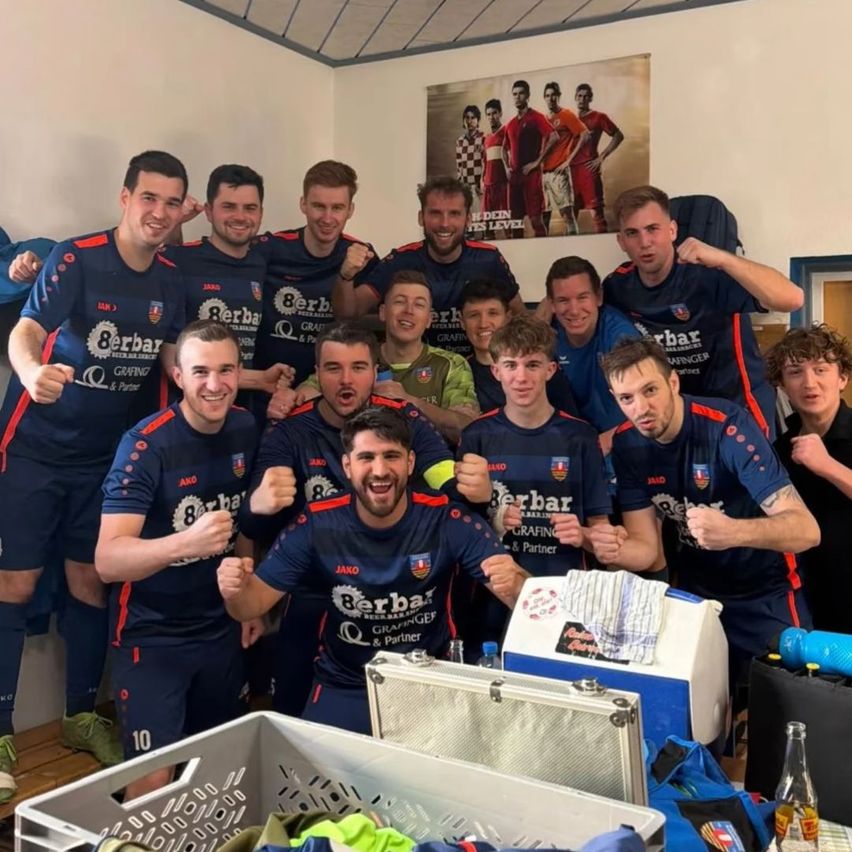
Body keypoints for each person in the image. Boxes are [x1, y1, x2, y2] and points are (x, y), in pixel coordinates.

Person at [0, 150, 188, 802]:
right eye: (150, 198)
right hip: (32, 449)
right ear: (126, 197)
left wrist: (249, 383)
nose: (159, 213)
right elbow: (26, 329)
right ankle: (0, 731)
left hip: (100, 460)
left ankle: (82, 714)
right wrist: (29, 372)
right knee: (16, 584)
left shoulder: (170, 278)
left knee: (90, 581)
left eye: (172, 202)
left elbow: (179, 360)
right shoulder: (77, 257)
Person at [218, 405, 528, 735]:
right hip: (346, 683)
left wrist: (519, 585)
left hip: (427, 679)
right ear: (347, 466)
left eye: (391, 456)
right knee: (324, 784)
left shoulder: (446, 519)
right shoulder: (317, 522)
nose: (380, 470)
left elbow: (523, 595)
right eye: (367, 457)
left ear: (410, 464)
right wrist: (234, 590)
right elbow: (249, 606)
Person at [238, 321, 493, 716]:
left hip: (400, 590)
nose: (346, 380)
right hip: (316, 596)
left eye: (358, 367)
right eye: (333, 368)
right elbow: (251, 525)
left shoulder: (403, 418)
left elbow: (445, 482)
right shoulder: (290, 432)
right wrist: (259, 504)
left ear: (376, 372)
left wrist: (475, 492)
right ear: (317, 373)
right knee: (296, 719)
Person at [591, 337, 820, 695]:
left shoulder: (727, 426)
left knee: (786, 718)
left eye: (650, 390)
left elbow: (807, 530)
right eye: (626, 398)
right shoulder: (627, 444)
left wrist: (733, 532)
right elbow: (648, 551)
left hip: (766, 594)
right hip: (697, 600)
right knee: (705, 723)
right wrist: (610, 546)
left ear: (673, 382)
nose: (641, 408)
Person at [95, 321, 260, 799]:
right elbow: (107, 560)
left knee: (222, 771)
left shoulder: (246, 425)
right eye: (201, 371)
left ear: (239, 371)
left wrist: (245, 597)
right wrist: (184, 544)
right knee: (153, 782)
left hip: (219, 627)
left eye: (226, 370)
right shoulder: (144, 445)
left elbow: (242, 517)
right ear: (179, 375)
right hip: (153, 635)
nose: (215, 385)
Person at [605, 185, 804, 439]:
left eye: (653, 229)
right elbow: (578, 309)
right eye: (633, 233)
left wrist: (723, 258)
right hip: (679, 417)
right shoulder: (619, 285)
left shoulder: (707, 273)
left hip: (739, 413)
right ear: (621, 241)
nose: (645, 243)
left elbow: (793, 298)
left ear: (672, 230)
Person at [459, 316, 610, 644]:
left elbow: (601, 528)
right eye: (511, 365)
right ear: (496, 371)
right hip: (494, 597)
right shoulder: (477, 436)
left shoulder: (581, 437)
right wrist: (494, 516)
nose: (521, 377)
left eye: (533, 364)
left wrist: (583, 534)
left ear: (550, 370)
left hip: (567, 593)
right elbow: (463, 525)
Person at [332, 176, 523, 355]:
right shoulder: (400, 260)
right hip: (417, 372)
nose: (445, 223)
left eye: (454, 214)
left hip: (477, 371)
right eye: (435, 213)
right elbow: (349, 313)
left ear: (468, 220)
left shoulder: (488, 259)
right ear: (421, 217)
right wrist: (346, 276)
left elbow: (521, 318)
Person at [301, 271, 479, 443]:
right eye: (400, 302)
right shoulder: (358, 357)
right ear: (383, 312)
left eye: (419, 304)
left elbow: (467, 429)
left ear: (429, 319)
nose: (408, 311)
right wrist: (286, 398)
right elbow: (303, 397)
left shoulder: (452, 364)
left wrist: (410, 403)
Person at [253, 161, 379, 386]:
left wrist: (347, 275)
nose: (328, 218)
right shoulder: (271, 248)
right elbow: (221, 259)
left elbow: (354, 317)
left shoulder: (362, 255)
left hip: (331, 388)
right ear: (303, 204)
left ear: (350, 210)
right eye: (319, 206)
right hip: (270, 384)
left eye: (338, 208)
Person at [767, 324, 852, 633]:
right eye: (795, 372)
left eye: (820, 369)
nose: (809, 382)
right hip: (805, 601)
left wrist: (826, 464)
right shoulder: (778, 450)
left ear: (842, 378)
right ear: (782, 385)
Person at [547, 256, 638, 454]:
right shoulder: (549, 336)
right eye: (563, 300)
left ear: (598, 297)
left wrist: (594, 449)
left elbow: (647, 409)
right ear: (551, 305)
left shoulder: (621, 337)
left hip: (623, 442)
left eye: (582, 297)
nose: (573, 310)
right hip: (573, 440)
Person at [459, 277, 576, 414]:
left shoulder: (538, 364)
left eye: (493, 313)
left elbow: (570, 425)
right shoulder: (458, 373)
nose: (484, 323)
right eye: (474, 315)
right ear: (462, 322)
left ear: (508, 317)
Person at [501, 80, 559, 238]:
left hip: (531, 177)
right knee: (516, 222)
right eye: (514, 94)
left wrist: (537, 162)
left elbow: (554, 136)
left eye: (520, 93)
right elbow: (503, 149)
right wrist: (507, 168)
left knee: (536, 221)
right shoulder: (511, 124)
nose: (517, 97)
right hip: (514, 179)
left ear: (527, 96)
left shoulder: (536, 117)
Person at [570, 84, 624, 234]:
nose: (582, 99)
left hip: (589, 170)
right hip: (571, 173)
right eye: (579, 96)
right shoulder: (570, 118)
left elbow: (618, 136)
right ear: (575, 98)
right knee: (570, 216)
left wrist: (601, 157)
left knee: (597, 215)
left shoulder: (599, 117)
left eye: (586, 96)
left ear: (591, 98)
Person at [540, 82, 590, 236]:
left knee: (567, 214)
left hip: (558, 172)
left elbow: (585, 134)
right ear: (544, 98)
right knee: (544, 216)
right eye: (547, 96)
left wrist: (569, 160)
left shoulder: (566, 115)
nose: (550, 99)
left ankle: (573, 245)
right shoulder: (543, 118)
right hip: (542, 174)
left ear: (558, 96)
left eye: (553, 95)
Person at [481, 99, 509, 239]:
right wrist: (483, 179)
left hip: (503, 182)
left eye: (494, 113)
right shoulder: (486, 138)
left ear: (500, 113)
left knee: (506, 219)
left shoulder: (506, 131)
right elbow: (485, 161)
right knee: (487, 222)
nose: (491, 117)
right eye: (489, 114)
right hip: (489, 183)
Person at [455, 105, 484, 216]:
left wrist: (482, 183)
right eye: (467, 117)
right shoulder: (460, 141)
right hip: (466, 187)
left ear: (478, 120)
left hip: (480, 186)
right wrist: (461, 185)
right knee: (468, 220)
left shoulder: (483, 138)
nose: (470, 121)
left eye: (473, 118)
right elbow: (459, 165)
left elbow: (485, 162)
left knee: (482, 219)